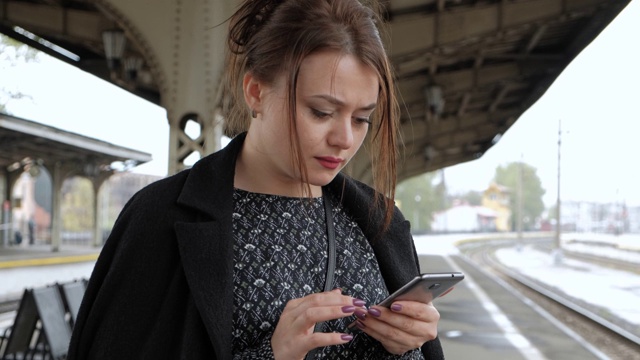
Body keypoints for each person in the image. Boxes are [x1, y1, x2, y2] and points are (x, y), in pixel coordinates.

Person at [67, 0, 449, 359]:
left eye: (361, 118)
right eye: (320, 112)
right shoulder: (159, 219)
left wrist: (411, 343)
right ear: (256, 92)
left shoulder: (381, 223)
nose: (344, 139)